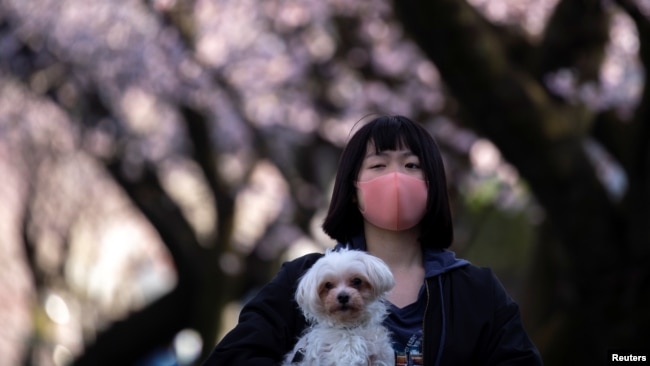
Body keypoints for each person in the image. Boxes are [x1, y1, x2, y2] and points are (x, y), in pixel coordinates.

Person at [202, 115, 543, 366]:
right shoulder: (302, 279)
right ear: (352, 189)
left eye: (412, 165)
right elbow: (232, 358)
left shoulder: (475, 291)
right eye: (378, 165)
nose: (395, 178)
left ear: (434, 185)